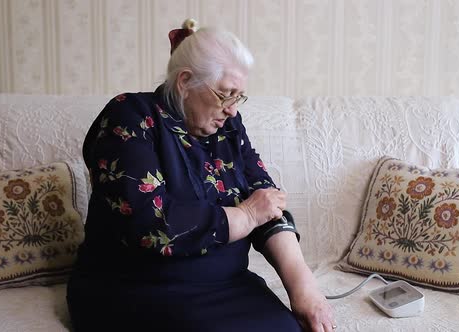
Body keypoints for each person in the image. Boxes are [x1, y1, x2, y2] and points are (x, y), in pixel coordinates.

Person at [66, 19, 336, 332]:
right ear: (185, 82)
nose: (233, 109)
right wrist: (245, 215)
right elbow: (151, 225)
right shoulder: (130, 117)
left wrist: (305, 288)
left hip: (226, 286)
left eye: (239, 96)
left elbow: (266, 201)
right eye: (226, 94)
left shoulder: (228, 126)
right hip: (138, 289)